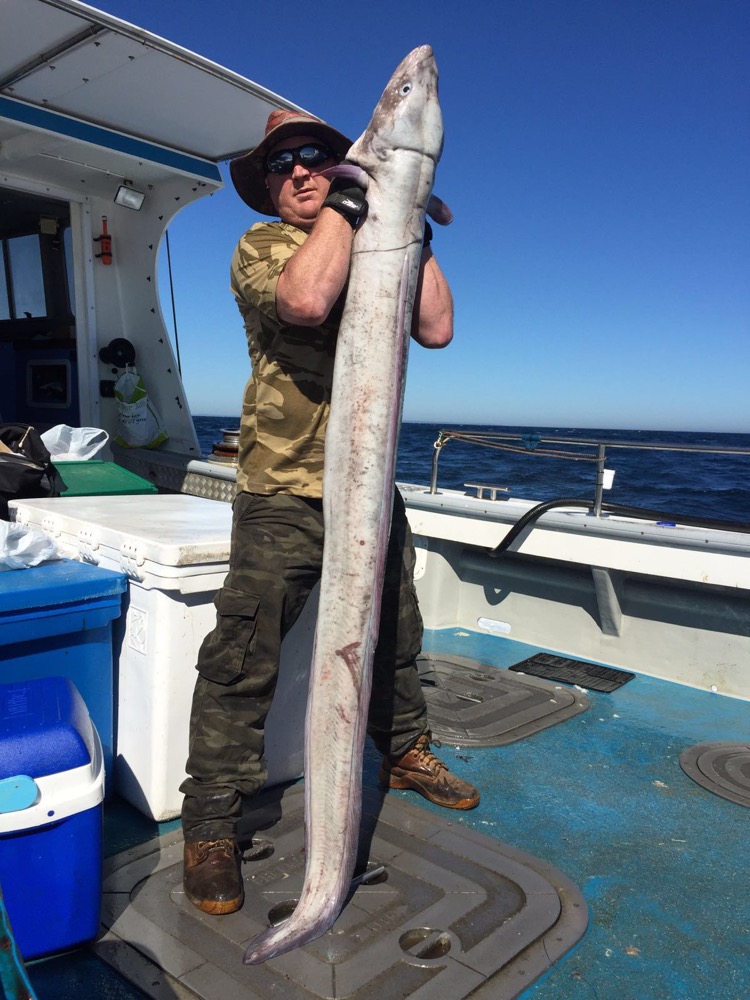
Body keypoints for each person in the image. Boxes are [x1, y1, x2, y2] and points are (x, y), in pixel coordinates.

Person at [180, 109, 480, 916]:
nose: (303, 172)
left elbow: (437, 326)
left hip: (368, 486)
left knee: (397, 633)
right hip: (285, 489)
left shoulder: (379, 233)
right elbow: (308, 302)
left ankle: (407, 749)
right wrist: (352, 204)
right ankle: (211, 820)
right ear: (269, 187)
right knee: (245, 656)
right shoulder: (265, 249)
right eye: (284, 166)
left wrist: (407, 215)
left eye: (318, 157)